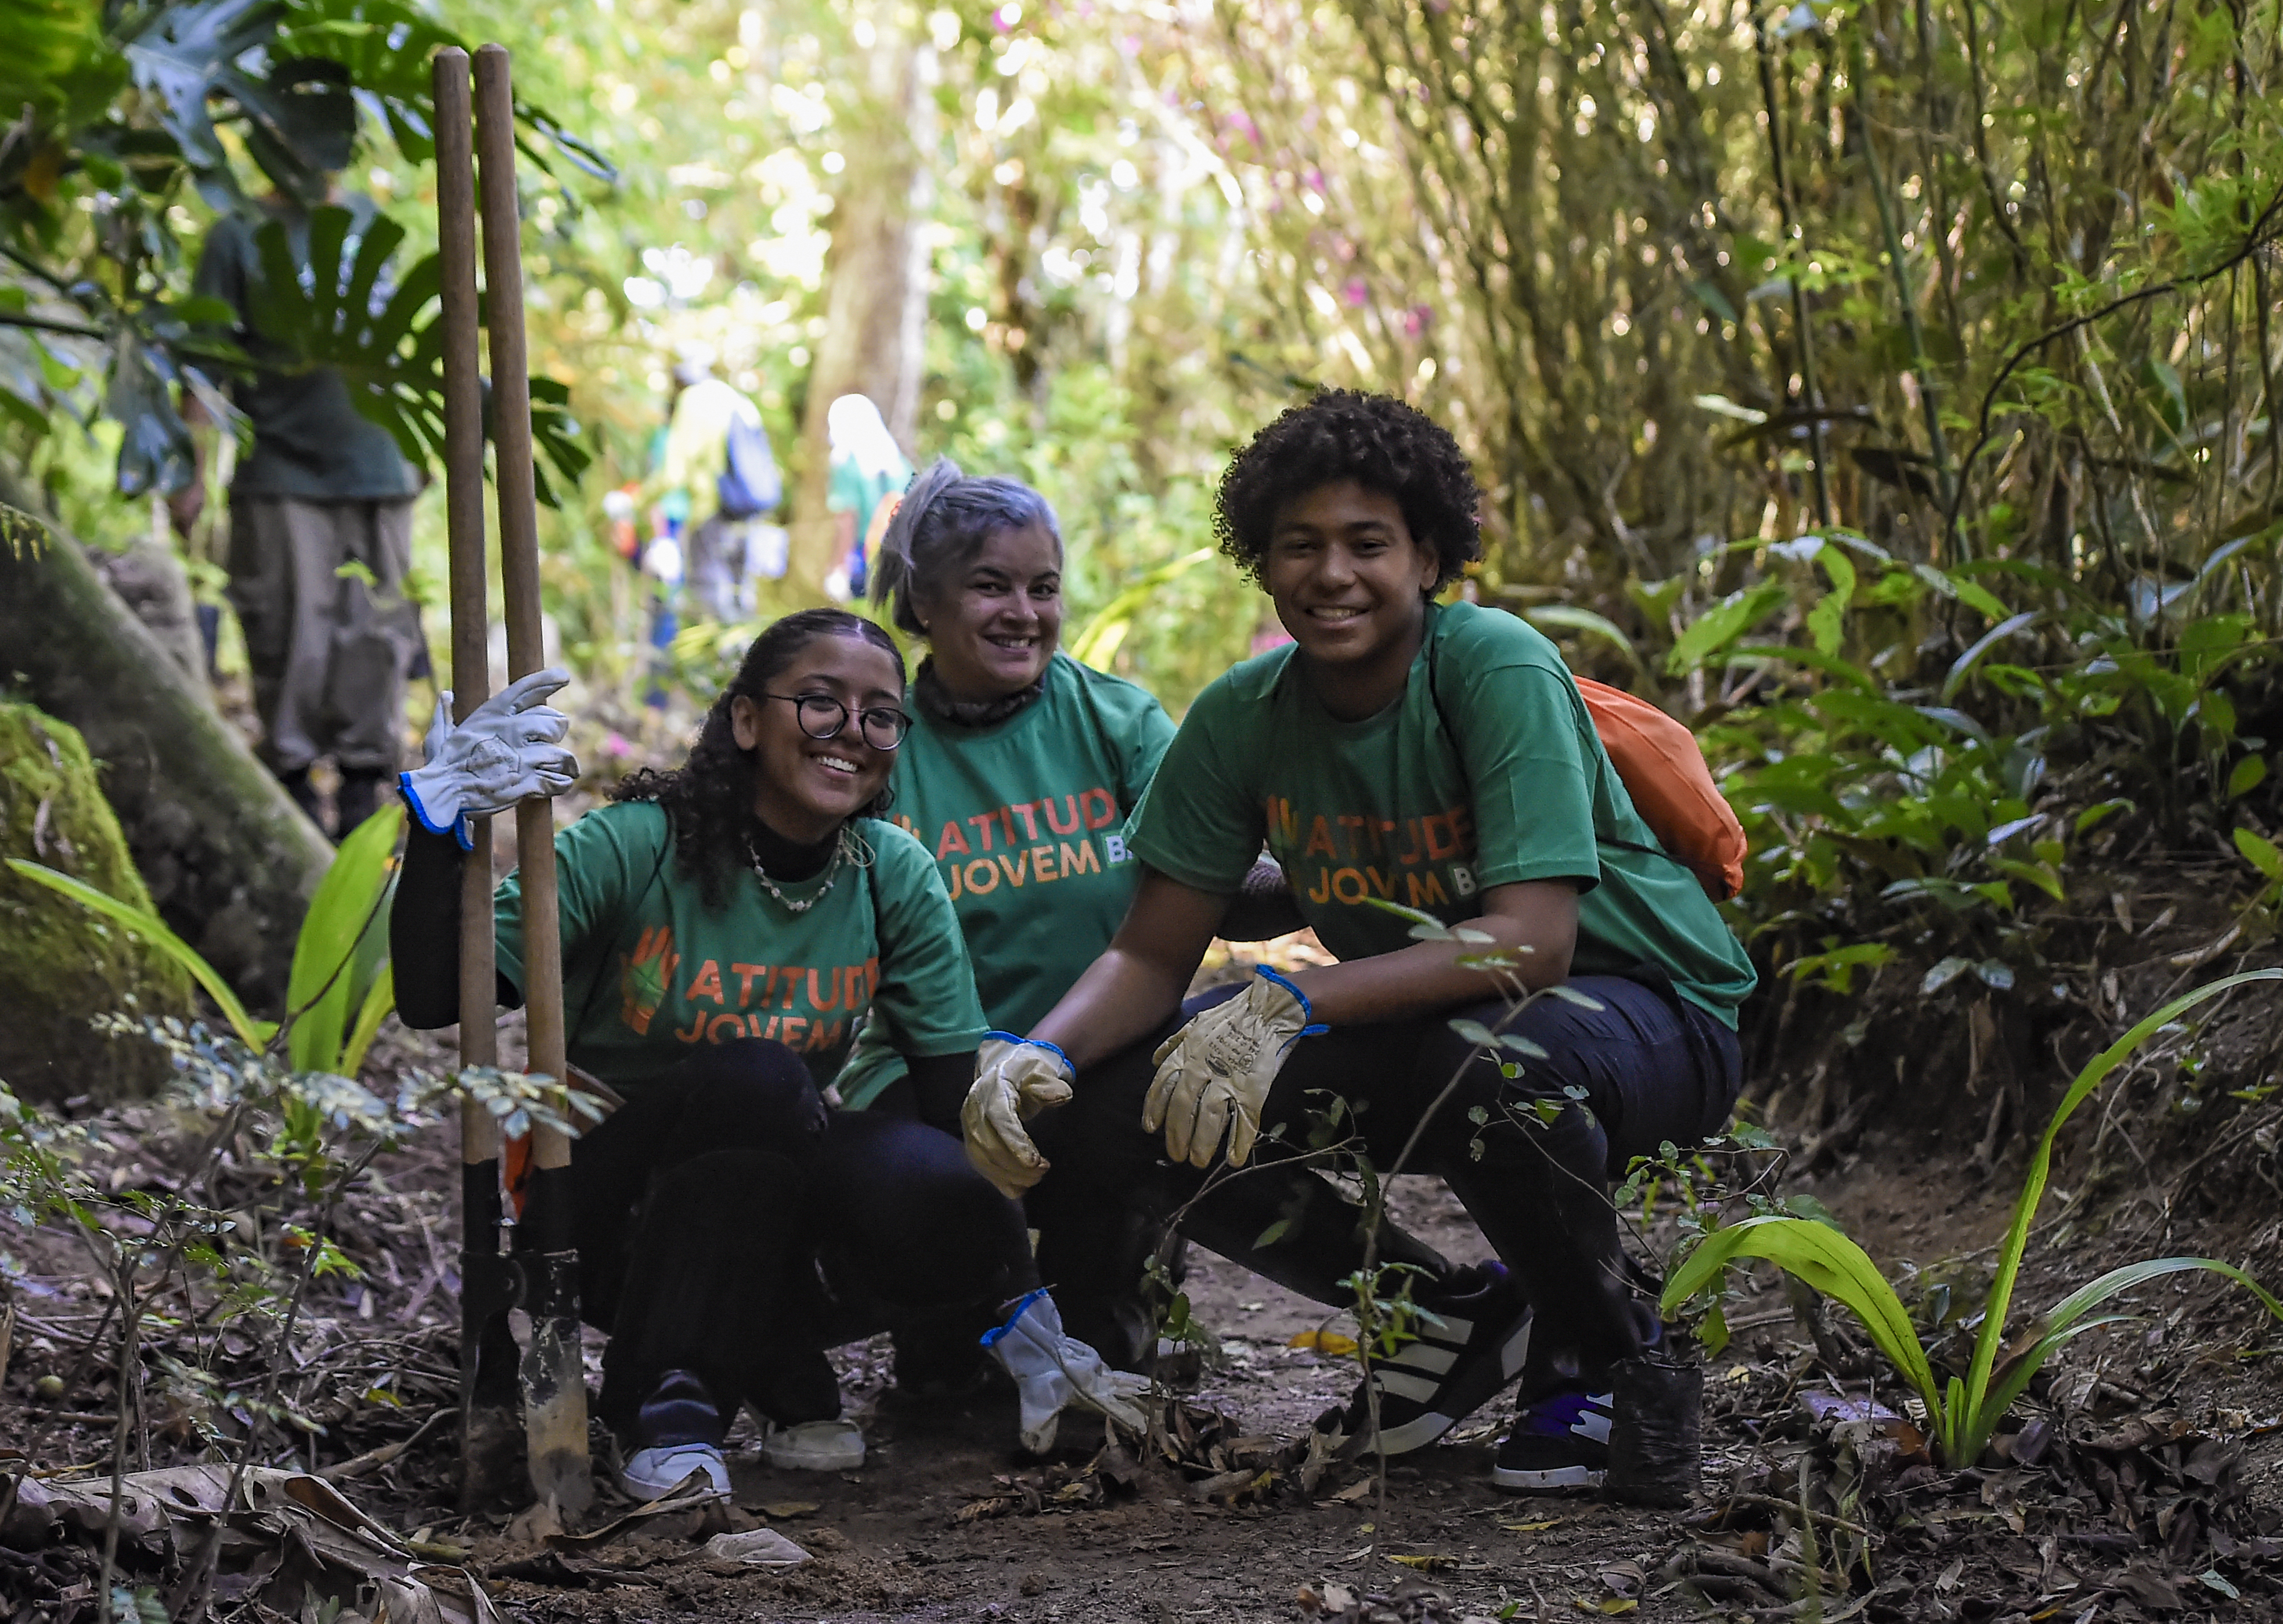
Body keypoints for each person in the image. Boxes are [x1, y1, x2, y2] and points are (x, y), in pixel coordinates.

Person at [961, 392, 1757, 1496]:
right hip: (1439, 1019)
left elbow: (1530, 944)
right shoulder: (1243, 718)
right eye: (1302, 546)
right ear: (1264, 562)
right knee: (1114, 1103)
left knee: (1487, 1061)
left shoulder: (1492, 666)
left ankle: (1604, 1354)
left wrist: (1289, 999)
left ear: (1428, 555)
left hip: (1650, 1015)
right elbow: (1150, 956)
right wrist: (1029, 1052)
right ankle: (1447, 1318)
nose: (1332, 573)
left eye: (1367, 543)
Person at [388, 609, 1149, 1499]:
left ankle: (777, 1351)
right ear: (747, 720)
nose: (851, 735)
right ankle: (666, 1410)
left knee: (940, 1182)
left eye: (879, 715)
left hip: (768, 1187)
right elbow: (439, 996)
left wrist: (1019, 1301)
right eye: (820, 703)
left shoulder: (887, 869)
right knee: (756, 1079)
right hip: (596, 1203)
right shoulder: (639, 843)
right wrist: (436, 825)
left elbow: (952, 1103)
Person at [830, 460, 1303, 1370]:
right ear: (923, 603)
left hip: (1101, 1056)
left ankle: (1109, 1313)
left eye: (1042, 588)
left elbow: (1218, 891)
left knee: (1113, 1158)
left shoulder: (1117, 721)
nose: (1023, 612)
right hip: (929, 1073)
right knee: (950, 1366)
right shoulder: (884, 744)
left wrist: (1341, 877)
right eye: (990, 586)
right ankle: (953, 1313)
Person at [172, 118, 424, 840]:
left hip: (379, 465)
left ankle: (360, 802)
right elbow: (203, 364)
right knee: (290, 633)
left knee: (374, 639)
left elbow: (404, 342)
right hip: (280, 468)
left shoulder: (371, 222)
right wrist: (187, 474)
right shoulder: (237, 233)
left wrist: (421, 453)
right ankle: (290, 805)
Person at [652, 346, 779, 625]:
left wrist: (637, 502)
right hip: (750, 511)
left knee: (707, 589)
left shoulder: (694, 401)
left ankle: (714, 663)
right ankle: (745, 660)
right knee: (741, 592)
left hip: (713, 511)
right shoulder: (739, 402)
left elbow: (674, 472)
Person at [822, 393, 913, 601]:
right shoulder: (897, 462)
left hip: (863, 555)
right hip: (901, 555)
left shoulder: (847, 463)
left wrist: (839, 567)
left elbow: (847, 519)